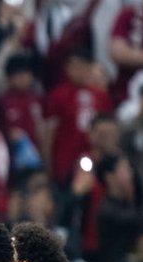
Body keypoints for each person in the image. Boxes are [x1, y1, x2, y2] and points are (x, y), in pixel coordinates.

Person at [43, 50, 112, 187]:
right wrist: (48, 164)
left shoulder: (100, 95)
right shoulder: (58, 96)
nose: (78, 71)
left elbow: (109, 127)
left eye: (82, 66)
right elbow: (49, 132)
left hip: (96, 158)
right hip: (66, 160)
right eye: (74, 66)